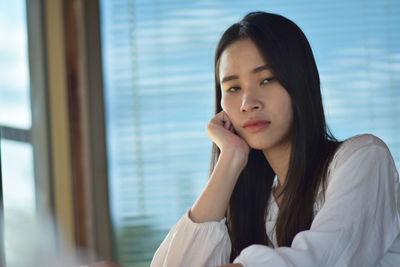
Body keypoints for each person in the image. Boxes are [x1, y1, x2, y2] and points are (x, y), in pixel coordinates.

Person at [150, 11, 400, 267]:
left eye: (267, 79)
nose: (248, 104)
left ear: (300, 83)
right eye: (233, 88)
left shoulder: (364, 157)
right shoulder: (260, 203)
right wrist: (230, 157)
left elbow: (322, 260)